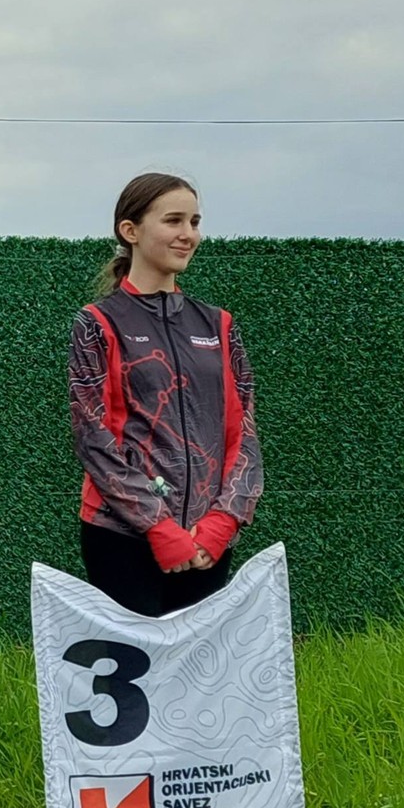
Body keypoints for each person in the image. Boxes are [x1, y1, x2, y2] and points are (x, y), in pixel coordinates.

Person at [70, 172, 263, 616]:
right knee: (135, 662)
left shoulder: (218, 324)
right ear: (130, 231)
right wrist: (158, 528)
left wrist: (223, 521)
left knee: (201, 661)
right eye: (173, 220)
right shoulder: (97, 322)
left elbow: (245, 434)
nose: (188, 234)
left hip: (207, 540)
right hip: (121, 537)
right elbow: (93, 437)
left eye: (194, 222)